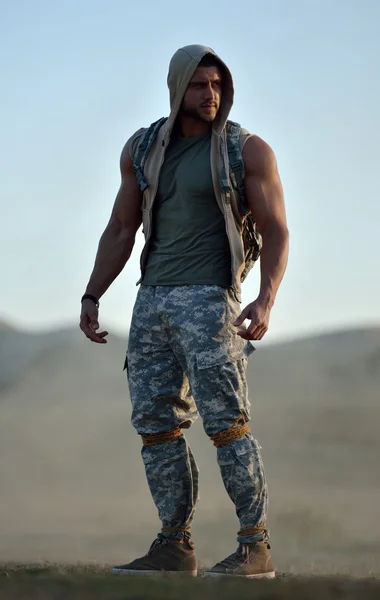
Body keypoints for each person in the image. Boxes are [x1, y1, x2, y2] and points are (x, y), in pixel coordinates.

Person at [79, 44, 289, 578]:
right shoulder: (144, 148)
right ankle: (174, 546)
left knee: (226, 425)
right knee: (155, 427)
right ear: (178, 88)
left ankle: (255, 546)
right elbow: (122, 228)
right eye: (199, 85)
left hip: (210, 300)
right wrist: (92, 294)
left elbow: (276, 228)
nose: (210, 94)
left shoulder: (248, 150)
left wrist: (265, 299)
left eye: (217, 84)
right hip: (151, 301)